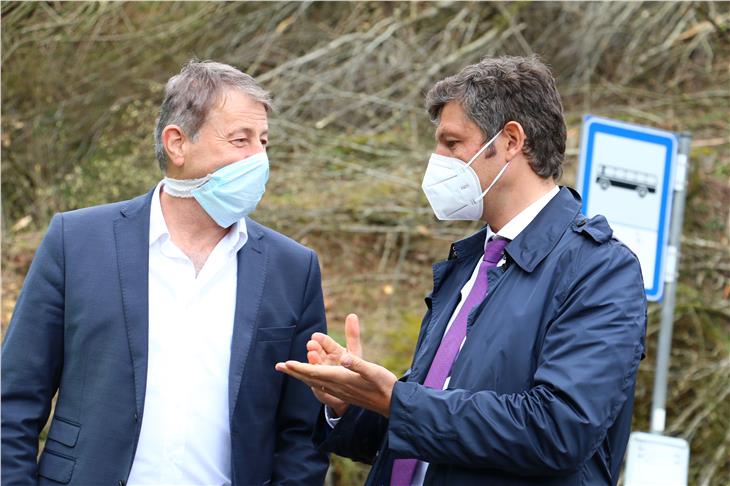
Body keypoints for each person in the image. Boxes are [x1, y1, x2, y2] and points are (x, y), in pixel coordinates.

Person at [276, 55, 647, 486]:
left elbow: (558, 432)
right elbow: (424, 436)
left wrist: (398, 401)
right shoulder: (470, 264)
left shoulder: (600, 270)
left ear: (511, 141)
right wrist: (352, 402)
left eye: (452, 144)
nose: (437, 161)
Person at [2, 60, 329, 486]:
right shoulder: (77, 241)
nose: (259, 159)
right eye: (240, 140)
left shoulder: (293, 267)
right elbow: (14, 401)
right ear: (177, 143)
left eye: (263, 141)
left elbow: (302, 431)